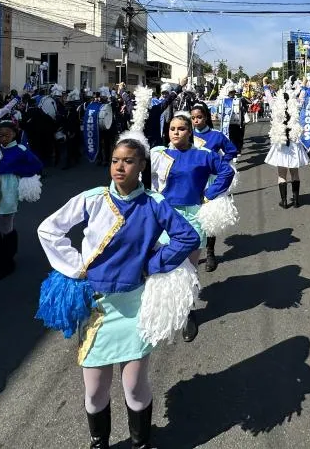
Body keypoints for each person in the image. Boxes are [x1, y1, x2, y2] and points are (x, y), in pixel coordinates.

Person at [38, 134, 199, 449]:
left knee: (135, 386)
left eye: (128, 161)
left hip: (135, 307)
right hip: (98, 308)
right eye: (115, 161)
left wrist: (152, 265)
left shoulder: (154, 202)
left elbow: (187, 237)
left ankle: (140, 443)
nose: (120, 167)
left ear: (141, 165)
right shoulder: (94, 198)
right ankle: (100, 444)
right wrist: (77, 267)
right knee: (96, 389)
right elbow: (49, 228)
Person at [150, 114, 235, 342]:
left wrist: (209, 194)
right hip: (166, 216)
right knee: (169, 265)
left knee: (189, 267)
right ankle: (166, 309)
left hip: (194, 216)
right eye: (172, 129)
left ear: (190, 132)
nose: (175, 133)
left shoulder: (203, 154)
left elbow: (227, 171)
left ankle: (188, 313)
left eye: (181, 129)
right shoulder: (159, 155)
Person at [0, 120, 43, 281]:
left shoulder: (21, 149)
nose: (4, 137)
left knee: (6, 226)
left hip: (9, 189)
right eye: (0, 135)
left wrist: (15, 170)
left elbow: (36, 165)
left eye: (7, 134)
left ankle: (8, 261)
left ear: (14, 134)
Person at [189, 103, 237, 273]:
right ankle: (191, 253)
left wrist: (219, 163)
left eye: (199, 117)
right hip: (191, 180)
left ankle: (210, 253)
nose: (196, 121)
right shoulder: (186, 133)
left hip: (210, 182)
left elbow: (232, 150)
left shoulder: (216, 135)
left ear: (206, 117)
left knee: (209, 218)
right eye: (193, 118)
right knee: (191, 216)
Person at [264, 82, 310, 209]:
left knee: (281, 175)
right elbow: (301, 97)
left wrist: (265, 86)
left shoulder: (275, 106)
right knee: (295, 173)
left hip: (281, 143)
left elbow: (268, 97)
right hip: (294, 143)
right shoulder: (296, 106)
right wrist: (304, 86)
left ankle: (284, 201)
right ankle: (296, 201)